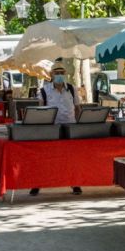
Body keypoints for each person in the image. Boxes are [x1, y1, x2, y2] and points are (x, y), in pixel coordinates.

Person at [32, 62, 81, 197]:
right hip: (51, 129)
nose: (59, 75)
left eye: (61, 73)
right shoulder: (43, 91)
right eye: (56, 72)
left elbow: (77, 108)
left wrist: (79, 124)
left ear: (65, 74)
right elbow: (41, 110)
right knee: (45, 158)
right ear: (51, 75)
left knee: (71, 158)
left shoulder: (72, 89)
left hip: (70, 127)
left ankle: (75, 183)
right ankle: (37, 184)